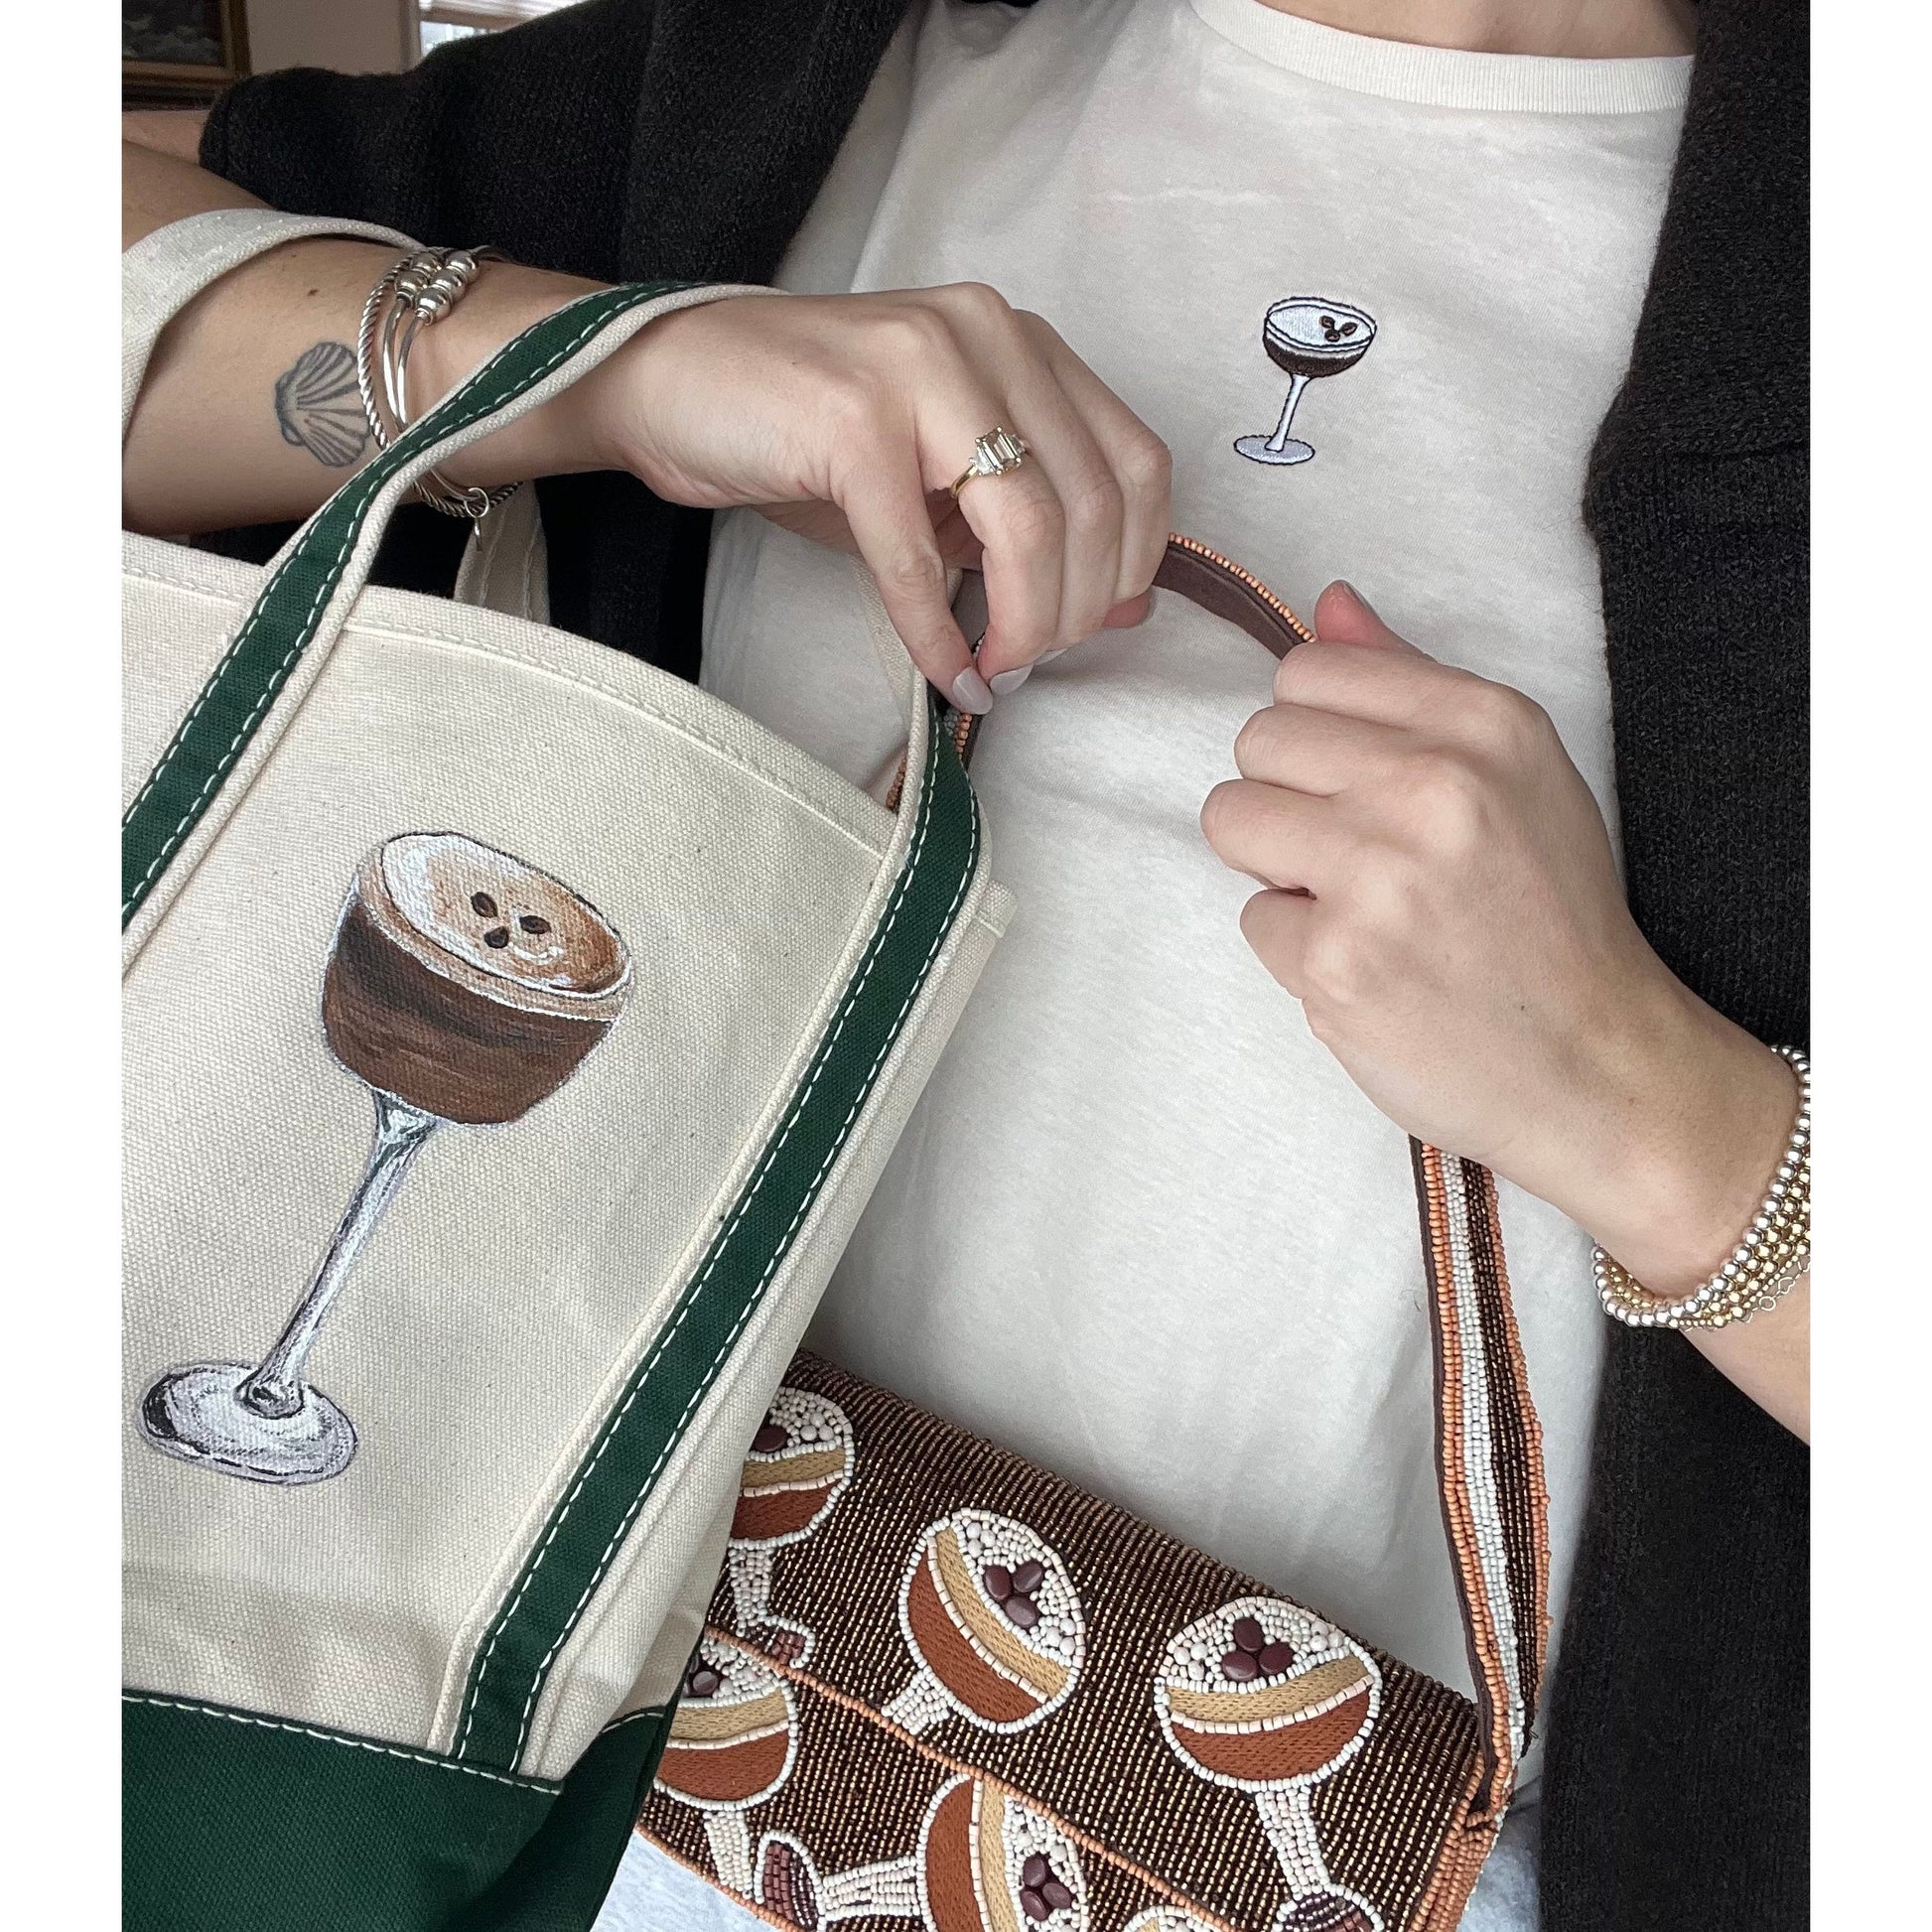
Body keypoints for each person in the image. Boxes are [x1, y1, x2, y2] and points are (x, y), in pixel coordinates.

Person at [121, 2, 1808, 1927]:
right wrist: (606, 363)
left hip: (1311, 1853)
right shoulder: (781, 85)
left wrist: (1650, 1106)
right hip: (517, 1773)